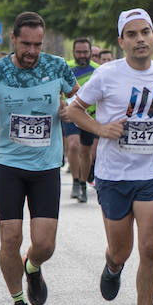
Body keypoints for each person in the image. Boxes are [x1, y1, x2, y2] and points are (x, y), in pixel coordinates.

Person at [68, 8, 153, 305]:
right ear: (121, 41)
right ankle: (112, 266)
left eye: (145, 32)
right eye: (132, 34)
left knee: (150, 247)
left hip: (151, 175)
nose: (140, 39)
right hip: (113, 176)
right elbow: (73, 109)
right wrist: (100, 128)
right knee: (121, 250)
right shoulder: (106, 75)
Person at [0, 12, 78, 305]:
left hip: (46, 167)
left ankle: (32, 267)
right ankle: (18, 301)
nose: (32, 51)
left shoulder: (57, 66)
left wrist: (69, 110)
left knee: (45, 244)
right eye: (26, 44)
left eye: (38, 44)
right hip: (8, 165)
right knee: (10, 238)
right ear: (13, 40)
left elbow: (79, 102)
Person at [63, 37, 99, 203]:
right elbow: (58, 90)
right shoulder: (66, 68)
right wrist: (61, 105)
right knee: (73, 144)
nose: (82, 55)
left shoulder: (98, 70)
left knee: (86, 152)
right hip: (71, 114)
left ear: (91, 52)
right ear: (73, 53)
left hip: (89, 116)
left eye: (85, 52)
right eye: (79, 52)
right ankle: (75, 181)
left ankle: (83, 183)